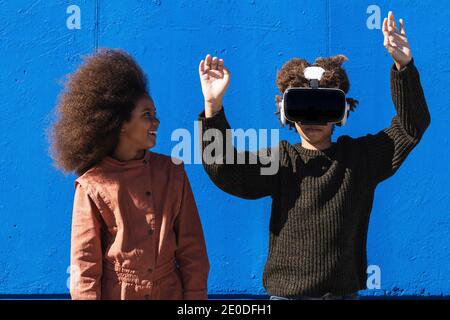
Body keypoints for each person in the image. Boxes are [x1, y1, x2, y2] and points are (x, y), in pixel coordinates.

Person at [197, 11, 430, 299]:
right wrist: (213, 107)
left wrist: (403, 65)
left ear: (341, 111)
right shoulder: (281, 160)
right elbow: (225, 171)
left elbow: (412, 126)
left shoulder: (360, 159)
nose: (312, 117)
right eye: (303, 106)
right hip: (286, 296)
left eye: (323, 106)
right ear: (286, 112)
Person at [48, 49, 209, 300]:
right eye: (147, 115)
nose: (156, 122)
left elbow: (193, 252)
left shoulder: (172, 172)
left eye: (155, 114)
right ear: (120, 122)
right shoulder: (91, 185)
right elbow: (85, 269)